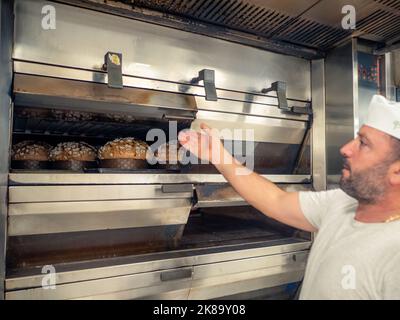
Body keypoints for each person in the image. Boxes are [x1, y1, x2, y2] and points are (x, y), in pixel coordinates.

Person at [178, 95, 400, 299]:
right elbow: (276, 200)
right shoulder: (342, 204)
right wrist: (219, 156)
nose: (345, 149)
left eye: (363, 143)